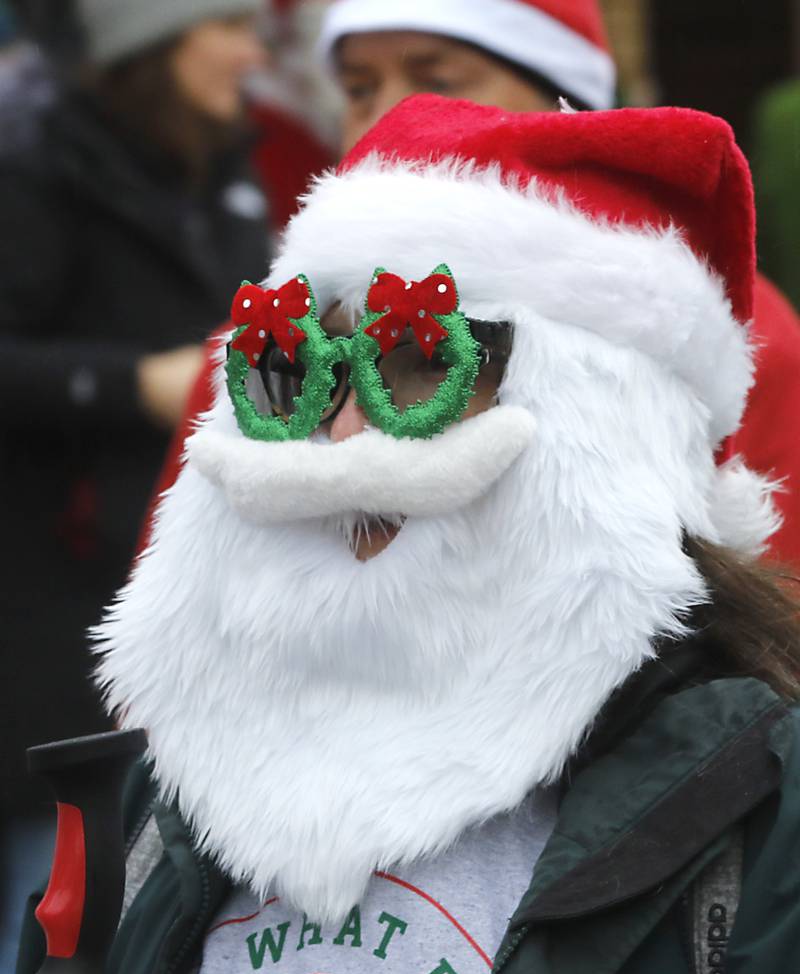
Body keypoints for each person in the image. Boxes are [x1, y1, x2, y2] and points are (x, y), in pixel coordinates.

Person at [6, 94, 800, 974]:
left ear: (598, 427)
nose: (336, 437)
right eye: (296, 366)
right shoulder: (168, 797)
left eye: (419, 364)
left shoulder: (754, 811)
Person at [153, 0, 800, 567]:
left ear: (563, 103)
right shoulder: (266, 347)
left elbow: (766, 626)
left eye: (436, 81)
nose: (389, 122)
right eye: (357, 89)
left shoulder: (728, 342)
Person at [0, 0, 269, 809]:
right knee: (61, 882)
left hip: (189, 583)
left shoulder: (220, 160)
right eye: (228, 27)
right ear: (152, 41)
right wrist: (134, 385)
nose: (252, 55)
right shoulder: (32, 166)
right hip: (55, 598)